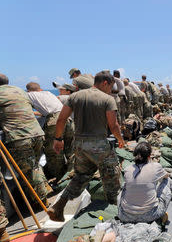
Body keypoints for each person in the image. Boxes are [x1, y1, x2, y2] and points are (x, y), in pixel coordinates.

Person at [47, 71, 125, 222]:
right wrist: (120, 139)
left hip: (80, 145)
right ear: (105, 83)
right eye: (111, 87)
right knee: (111, 178)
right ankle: (114, 215)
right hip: (99, 145)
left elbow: (61, 119)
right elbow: (113, 125)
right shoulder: (107, 99)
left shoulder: (75, 96)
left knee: (80, 177)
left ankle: (58, 207)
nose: (110, 90)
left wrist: (58, 139)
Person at [0, 74, 49, 208]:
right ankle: (45, 188)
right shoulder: (20, 91)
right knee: (34, 165)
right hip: (37, 133)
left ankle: (41, 201)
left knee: (28, 170)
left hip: (20, 137)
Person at [26, 82, 73, 180]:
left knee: (54, 153)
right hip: (67, 118)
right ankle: (72, 177)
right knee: (70, 151)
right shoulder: (48, 93)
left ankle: (60, 180)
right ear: (40, 89)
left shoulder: (29, 95)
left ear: (28, 90)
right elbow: (49, 109)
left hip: (55, 121)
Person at [118, 142, 171, 223]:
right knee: (167, 181)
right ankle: (160, 215)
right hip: (150, 215)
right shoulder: (156, 166)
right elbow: (166, 176)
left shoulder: (127, 169)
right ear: (149, 156)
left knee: (124, 186)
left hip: (125, 216)